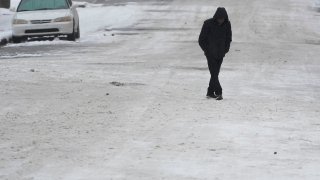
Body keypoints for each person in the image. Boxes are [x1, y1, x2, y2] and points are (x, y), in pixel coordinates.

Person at [198, 7, 232, 100]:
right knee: (214, 73)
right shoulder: (208, 24)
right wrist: (207, 51)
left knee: (215, 73)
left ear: (225, 18)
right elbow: (201, 40)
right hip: (210, 54)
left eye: (222, 18)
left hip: (220, 53)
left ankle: (210, 92)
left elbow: (228, 38)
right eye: (219, 18)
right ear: (216, 17)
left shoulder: (227, 24)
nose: (221, 20)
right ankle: (219, 92)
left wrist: (225, 50)